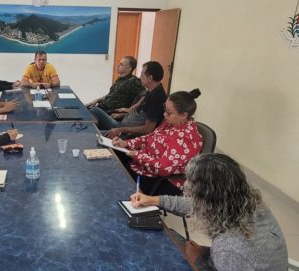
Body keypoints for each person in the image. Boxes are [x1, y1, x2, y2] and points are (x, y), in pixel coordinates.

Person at [130, 153, 288, 270]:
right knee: (167, 234)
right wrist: (152, 200)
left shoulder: (229, 247)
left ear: (206, 196)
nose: (185, 186)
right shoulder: (247, 202)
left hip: (227, 261)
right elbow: (193, 205)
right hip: (230, 261)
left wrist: (199, 260)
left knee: (160, 246)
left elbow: (234, 255)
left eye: (189, 182)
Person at [112, 89, 203, 195]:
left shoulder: (186, 138)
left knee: (115, 180)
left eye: (169, 113)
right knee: (112, 159)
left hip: (158, 179)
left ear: (183, 115)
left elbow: (163, 168)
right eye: (165, 108)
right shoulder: (171, 123)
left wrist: (137, 155)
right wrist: (127, 143)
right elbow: (149, 138)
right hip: (143, 166)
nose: (164, 114)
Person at [94, 61, 168, 137]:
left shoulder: (156, 98)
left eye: (142, 75)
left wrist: (121, 130)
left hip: (125, 133)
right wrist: (122, 115)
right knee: (94, 113)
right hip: (122, 126)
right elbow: (140, 114)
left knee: (92, 132)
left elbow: (148, 129)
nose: (139, 77)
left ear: (150, 78)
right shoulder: (151, 91)